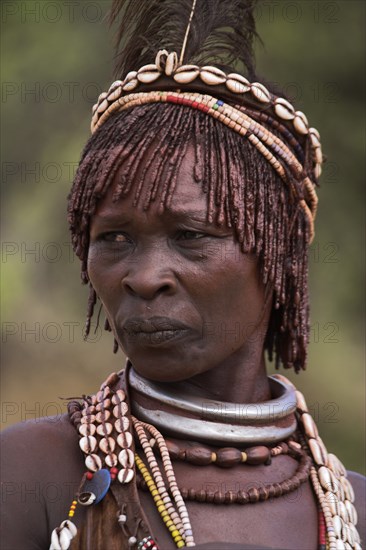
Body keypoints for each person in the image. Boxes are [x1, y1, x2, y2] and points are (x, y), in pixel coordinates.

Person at [1, 1, 365, 549]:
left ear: (280, 254)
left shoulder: (353, 511)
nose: (144, 279)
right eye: (114, 238)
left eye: (191, 236)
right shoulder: (30, 475)